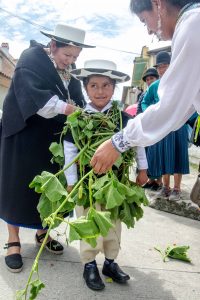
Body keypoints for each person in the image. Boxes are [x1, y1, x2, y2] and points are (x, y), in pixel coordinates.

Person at [0, 23, 94, 273]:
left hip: (51, 140)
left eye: (75, 57)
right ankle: (13, 241)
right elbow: (36, 99)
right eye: (67, 55)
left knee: (50, 186)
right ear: (53, 46)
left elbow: (78, 100)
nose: (70, 61)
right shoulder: (32, 59)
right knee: (18, 185)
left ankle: (43, 233)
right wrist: (69, 109)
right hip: (23, 133)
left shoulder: (69, 74)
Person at [63, 59, 148, 290]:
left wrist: (143, 169)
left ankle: (110, 262)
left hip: (116, 184)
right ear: (85, 88)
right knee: (88, 223)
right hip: (87, 184)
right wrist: (71, 183)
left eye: (106, 85)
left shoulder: (124, 119)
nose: (100, 91)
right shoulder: (78, 120)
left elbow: (138, 144)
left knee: (113, 224)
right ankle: (89, 265)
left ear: (114, 88)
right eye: (93, 86)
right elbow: (69, 150)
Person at [90, 0, 200, 175]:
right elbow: (181, 106)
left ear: (157, 4)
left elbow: (169, 107)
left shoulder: (192, 24)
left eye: (143, 20)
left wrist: (118, 142)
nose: (149, 30)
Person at [141, 51, 189, 200]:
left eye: (165, 66)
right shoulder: (154, 86)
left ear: (172, 65)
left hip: (178, 125)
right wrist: (150, 114)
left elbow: (190, 102)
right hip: (162, 127)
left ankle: (177, 189)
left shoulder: (181, 83)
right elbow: (145, 102)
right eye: (160, 67)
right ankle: (165, 188)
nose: (162, 70)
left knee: (178, 156)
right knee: (164, 157)